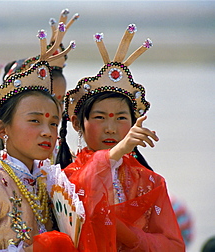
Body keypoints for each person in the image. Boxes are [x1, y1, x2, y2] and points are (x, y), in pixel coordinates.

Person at [55, 24, 185, 251]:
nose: (111, 128)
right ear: (77, 124)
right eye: (99, 117)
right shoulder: (66, 178)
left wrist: (131, 236)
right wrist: (117, 151)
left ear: (135, 123)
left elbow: (173, 245)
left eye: (121, 118)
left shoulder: (151, 182)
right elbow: (90, 184)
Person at [0, 26, 76, 251]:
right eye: (35, 121)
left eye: (53, 123)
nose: (47, 131)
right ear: (1, 130)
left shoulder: (50, 182)